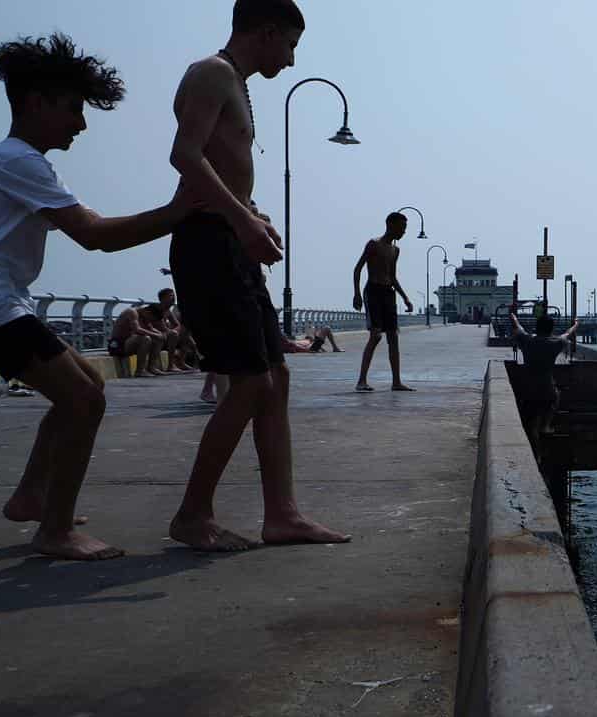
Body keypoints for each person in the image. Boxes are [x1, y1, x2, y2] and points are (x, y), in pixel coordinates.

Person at [0, 32, 191, 560]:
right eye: (73, 109)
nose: (81, 124)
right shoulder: (17, 161)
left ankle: (32, 496)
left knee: (82, 387)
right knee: (82, 400)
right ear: (36, 102)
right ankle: (55, 530)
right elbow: (96, 235)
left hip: (8, 301)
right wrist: (182, 210)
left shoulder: (18, 162)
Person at [166, 0, 348, 550]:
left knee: (277, 378)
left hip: (232, 242)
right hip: (208, 245)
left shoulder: (235, 83)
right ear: (267, 32)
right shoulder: (211, 73)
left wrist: (251, 213)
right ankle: (192, 515)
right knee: (250, 383)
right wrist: (241, 219)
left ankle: (282, 515)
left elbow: (223, 166)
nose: (291, 61)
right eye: (290, 45)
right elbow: (185, 156)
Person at [352, 212, 414, 392]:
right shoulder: (374, 244)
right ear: (390, 225)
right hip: (373, 291)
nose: (403, 232)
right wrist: (356, 294)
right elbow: (357, 269)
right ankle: (361, 381)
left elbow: (393, 276)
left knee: (393, 337)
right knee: (376, 335)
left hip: (388, 292)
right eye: (401, 228)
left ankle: (396, 381)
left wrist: (405, 298)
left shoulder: (395, 250)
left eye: (405, 229)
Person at [509, 307, 579, 456]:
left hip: (528, 390)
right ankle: (546, 425)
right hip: (547, 390)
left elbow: (518, 328)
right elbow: (567, 334)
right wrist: (576, 324)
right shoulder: (555, 343)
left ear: (536, 327)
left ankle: (536, 454)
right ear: (551, 329)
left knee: (530, 425)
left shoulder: (527, 341)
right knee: (555, 397)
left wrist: (513, 316)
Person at [108, 304, 169, 377]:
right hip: (116, 345)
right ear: (148, 312)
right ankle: (140, 371)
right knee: (146, 339)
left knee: (158, 339)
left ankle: (152, 367)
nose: (149, 321)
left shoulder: (144, 315)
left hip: (127, 343)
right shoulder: (132, 312)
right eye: (151, 319)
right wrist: (156, 335)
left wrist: (161, 334)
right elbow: (137, 329)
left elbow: (151, 329)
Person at [156, 287, 195, 371]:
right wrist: (171, 331)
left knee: (185, 332)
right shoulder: (156, 310)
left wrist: (175, 330)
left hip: (166, 336)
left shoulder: (168, 311)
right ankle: (170, 365)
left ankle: (181, 362)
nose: (173, 298)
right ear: (162, 298)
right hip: (157, 337)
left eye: (174, 296)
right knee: (173, 334)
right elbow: (160, 327)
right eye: (170, 296)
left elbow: (177, 324)